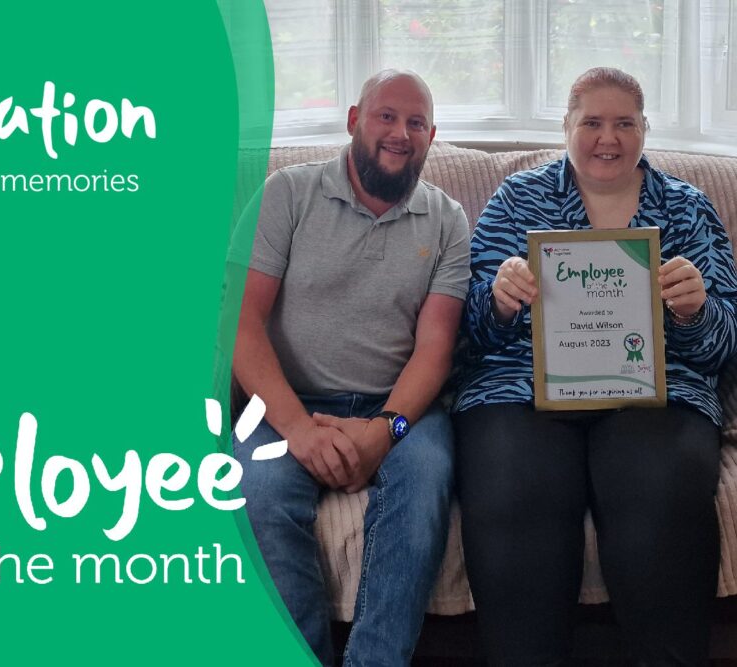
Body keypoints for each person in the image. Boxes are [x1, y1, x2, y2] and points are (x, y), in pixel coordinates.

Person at [453, 66, 737, 665]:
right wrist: (498, 302)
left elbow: (724, 347)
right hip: (521, 389)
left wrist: (696, 313)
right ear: (566, 126)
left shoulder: (687, 208)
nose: (608, 138)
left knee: (660, 492)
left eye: (625, 123)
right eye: (592, 123)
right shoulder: (518, 199)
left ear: (644, 129)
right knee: (513, 488)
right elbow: (467, 335)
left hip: (658, 391)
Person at [231, 69, 471, 666]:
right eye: (386, 116)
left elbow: (435, 349)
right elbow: (240, 323)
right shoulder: (287, 193)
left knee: (425, 485)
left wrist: (384, 430)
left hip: (402, 411)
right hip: (286, 403)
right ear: (354, 121)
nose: (400, 133)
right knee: (256, 495)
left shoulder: (447, 220)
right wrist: (298, 429)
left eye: (416, 123)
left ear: (431, 135)